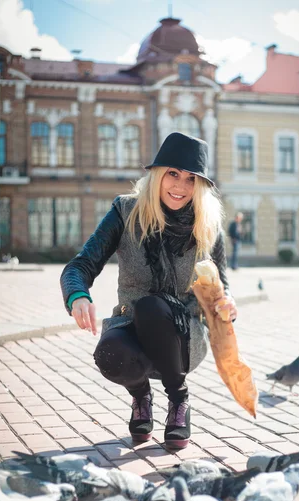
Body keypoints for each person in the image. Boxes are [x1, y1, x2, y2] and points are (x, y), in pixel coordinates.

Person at [60, 132, 237, 450]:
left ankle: (178, 398)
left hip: (184, 337)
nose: (180, 187)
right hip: (132, 328)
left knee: (154, 308)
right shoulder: (125, 213)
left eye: (190, 179)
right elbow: (79, 265)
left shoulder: (208, 225)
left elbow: (220, 288)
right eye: (172, 173)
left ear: (199, 185)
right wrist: (77, 295)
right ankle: (141, 396)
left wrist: (226, 305)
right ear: (157, 174)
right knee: (110, 353)